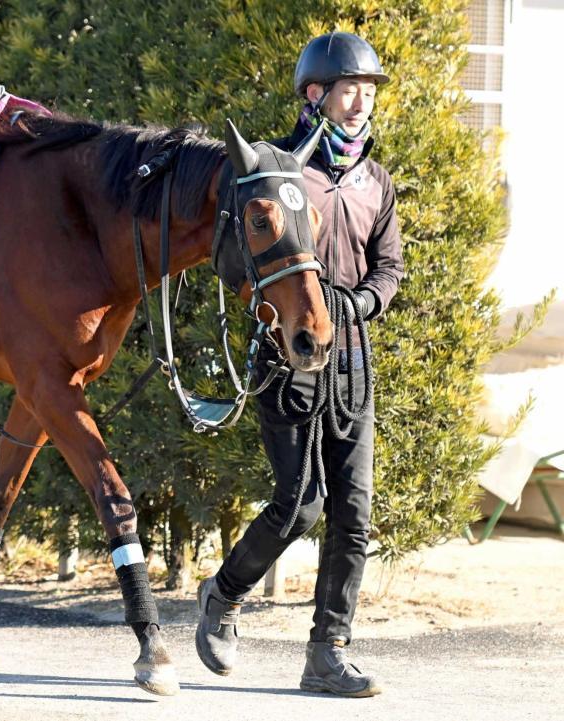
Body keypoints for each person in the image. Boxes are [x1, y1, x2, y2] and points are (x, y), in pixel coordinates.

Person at [195, 32, 405, 697]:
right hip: (287, 361)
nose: (360, 104)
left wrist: (361, 303)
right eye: (350, 90)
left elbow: (390, 268)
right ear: (314, 95)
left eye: (368, 93)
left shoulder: (377, 180)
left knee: (355, 513)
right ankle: (225, 595)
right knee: (300, 502)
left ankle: (327, 652)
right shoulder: (280, 171)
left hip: (352, 364)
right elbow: (234, 261)